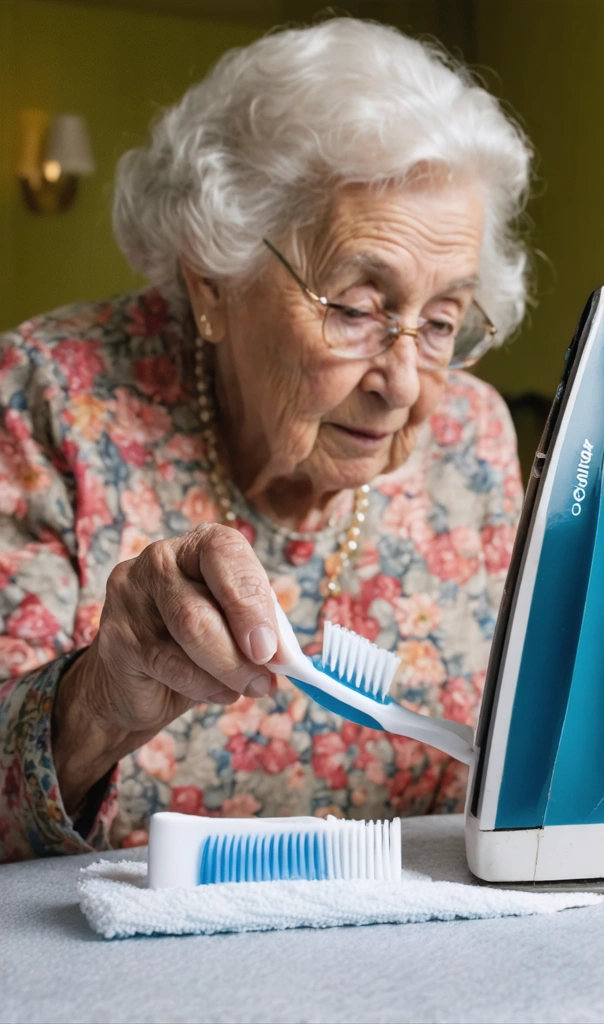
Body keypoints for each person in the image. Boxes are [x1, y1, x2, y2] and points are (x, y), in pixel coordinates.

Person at [0, 18, 531, 862]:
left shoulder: (471, 438)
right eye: (356, 308)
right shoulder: (52, 398)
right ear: (213, 283)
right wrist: (98, 703)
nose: (402, 381)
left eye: (441, 321)